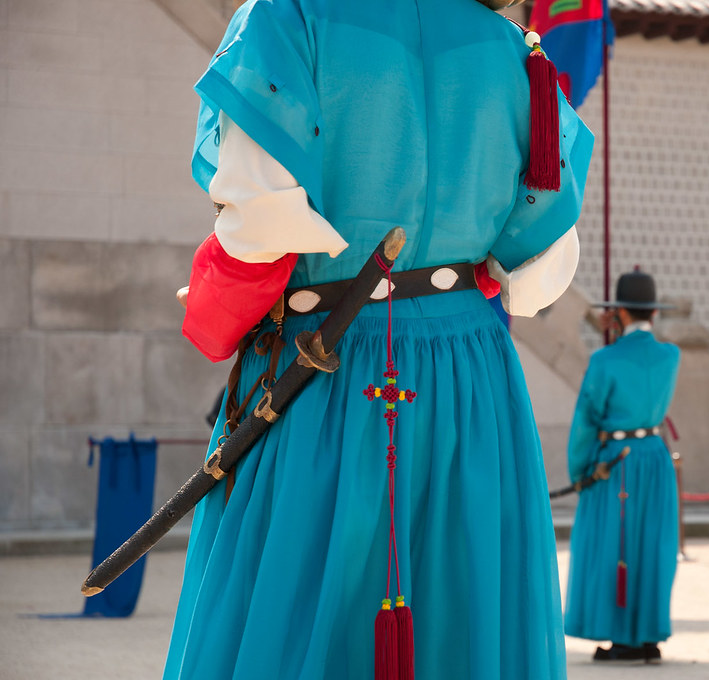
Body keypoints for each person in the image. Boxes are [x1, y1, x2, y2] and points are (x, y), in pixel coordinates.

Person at [163, 1, 594, 679]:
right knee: (460, 610)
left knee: (301, 608)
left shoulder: (288, 16)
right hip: (469, 372)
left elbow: (261, 222)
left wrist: (216, 301)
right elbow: (540, 275)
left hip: (325, 360)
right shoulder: (511, 48)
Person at [562, 268, 680, 664]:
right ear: (654, 313)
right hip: (655, 456)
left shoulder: (605, 359)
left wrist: (579, 471)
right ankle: (647, 635)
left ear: (620, 314)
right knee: (652, 546)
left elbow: (587, 419)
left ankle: (621, 638)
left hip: (616, 464)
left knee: (614, 544)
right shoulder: (670, 355)